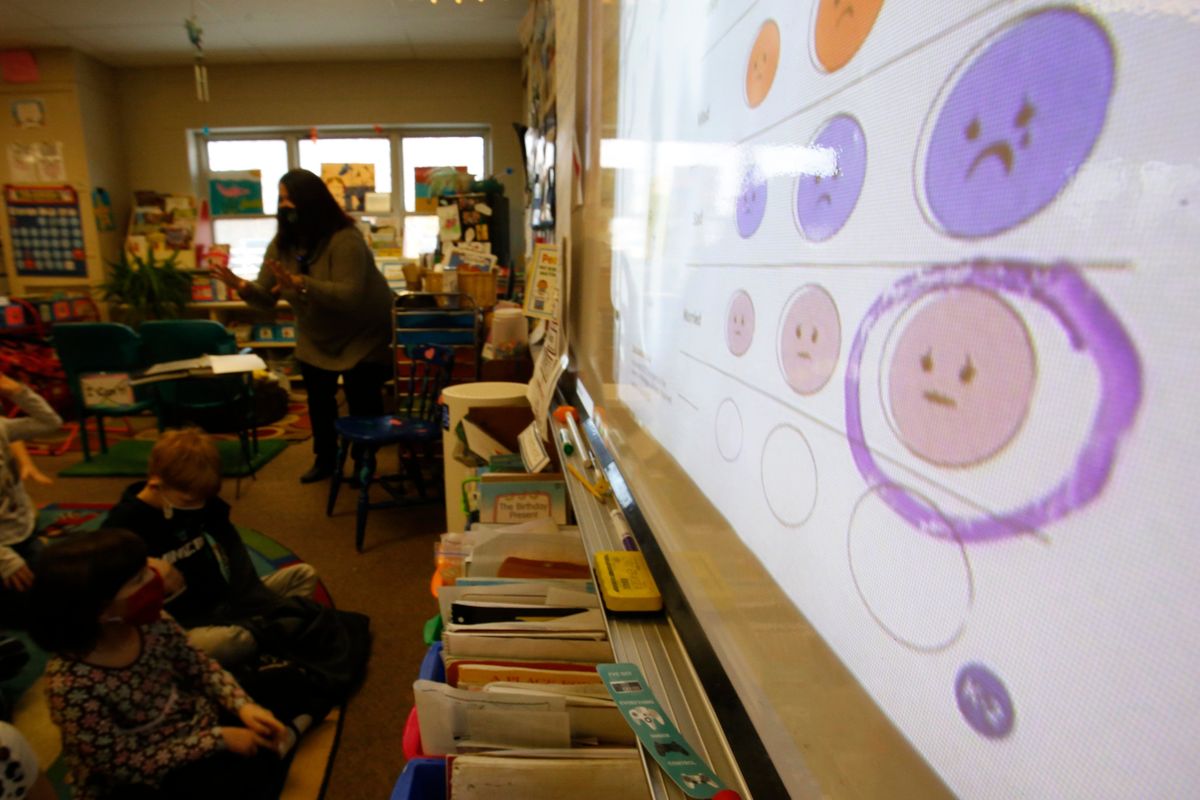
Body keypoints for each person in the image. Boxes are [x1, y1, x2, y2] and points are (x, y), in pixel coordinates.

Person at [28, 529, 292, 800]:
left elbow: (199, 665)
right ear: (102, 610)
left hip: (194, 724)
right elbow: (120, 764)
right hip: (147, 771)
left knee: (280, 686)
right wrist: (219, 740)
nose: (157, 577)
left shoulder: (152, 622)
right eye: (139, 578)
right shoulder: (70, 685)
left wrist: (242, 705)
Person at [210, 168, 394, 484]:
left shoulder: (345, 239)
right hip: (316, 334)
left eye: (289, 199)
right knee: (319, 402)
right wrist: (242, 287)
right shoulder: (283, 245)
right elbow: (267, 299)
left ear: (310, 202)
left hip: (362, 333)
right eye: (281, 199)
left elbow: (349, 296)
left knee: (362, 399)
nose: (284, 206)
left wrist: (302, 283)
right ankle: (324, 458)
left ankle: (365, 459)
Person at [104, 428, 318, 666]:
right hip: (182, 627)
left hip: (224, 602)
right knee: (235, 641)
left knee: (304, 575)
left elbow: (236, 557)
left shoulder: (196, 498)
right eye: (189, 500)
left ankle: (265, 634)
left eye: (202, 498)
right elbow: (96, 587)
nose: (199, 506)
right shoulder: (123, 524)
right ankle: (266, 635)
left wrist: (250, 599)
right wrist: (148, 567)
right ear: (156, 484)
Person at [0, 374, 63, 594]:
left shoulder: (2, 428)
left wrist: (18, 392)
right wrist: (5, 559)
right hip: (3, 549)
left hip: (22, 531)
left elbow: (51, 422)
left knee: (62, 585)